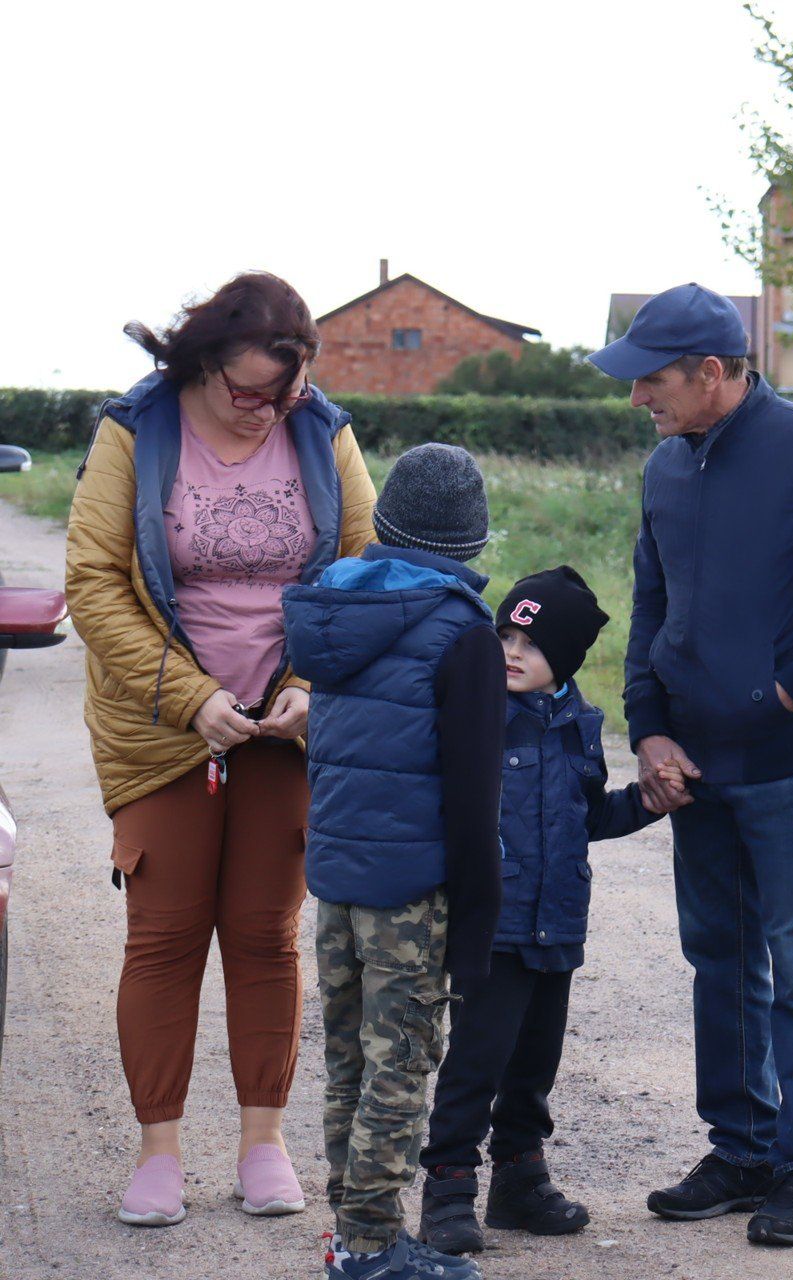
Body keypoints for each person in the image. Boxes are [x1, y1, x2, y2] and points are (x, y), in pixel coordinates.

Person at [589, 284, 793, 1247]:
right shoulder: (666, 466)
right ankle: (741, 1149)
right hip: (692, 766)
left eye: (653, 380)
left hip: (788, 763)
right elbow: (652, 604)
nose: (639, 397)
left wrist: (789, 691)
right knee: (719, 960)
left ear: (715, 373)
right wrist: (647, 726)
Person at [64, 271, 374, 1228]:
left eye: (284, 395)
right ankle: (159, 1154)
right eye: (248, 394)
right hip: (162, 728)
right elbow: (92, 579)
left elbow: (363, 575)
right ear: (201, 365)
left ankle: (262, 1143)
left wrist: (310, 688)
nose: (268, 412)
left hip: (285, 731)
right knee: (162, 937)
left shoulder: (324, 431)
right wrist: (190, 695)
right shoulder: (135, 431)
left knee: (265, 936)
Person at [282, 443, 508, 1280]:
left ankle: (352, 1231)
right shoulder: (462, 635)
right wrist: (478, 923)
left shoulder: (332, 610)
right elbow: (475, 797)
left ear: (383, 525)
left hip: (337, 879)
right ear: (473, 545)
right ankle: (373, 1246)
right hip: (412, 892)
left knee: (349, 1061)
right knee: (401, 1064)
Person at [417, 566, 668, 1255]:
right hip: (495, 923)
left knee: (534, 1064)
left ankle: (520, 1182)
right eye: (503, 634)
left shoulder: (579, 724)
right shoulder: (478, 717)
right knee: (477, 1060)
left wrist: (647, 804)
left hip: (556, 921)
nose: (511, 650)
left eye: (531, 640)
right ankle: (446, 1190)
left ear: (566, 657)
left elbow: (588, 817)